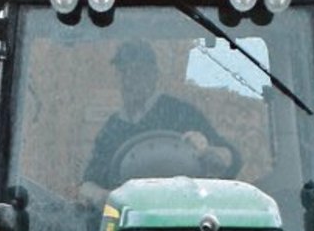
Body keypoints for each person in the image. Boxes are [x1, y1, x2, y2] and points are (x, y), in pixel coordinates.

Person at [79, 39, 239, 204]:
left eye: (137, 71)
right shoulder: (112, 128)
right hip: (127, 219)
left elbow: (230, 161)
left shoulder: (182, 114)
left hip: (185, 214)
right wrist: (104, 197)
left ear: (153, 75)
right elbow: (88, 185)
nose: (128, 80)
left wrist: (206, 150)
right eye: (123, 72)